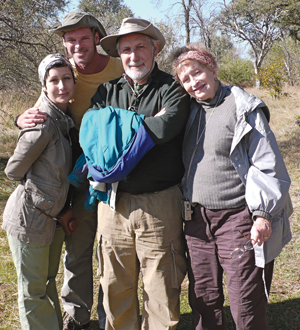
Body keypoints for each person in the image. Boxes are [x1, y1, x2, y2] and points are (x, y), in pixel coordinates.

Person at [171, 42, 293, 330]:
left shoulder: (242, 107)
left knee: (245, 300)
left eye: (197, 73)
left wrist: (263, 215)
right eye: (185, 79)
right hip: (196, 221)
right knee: (203, 298)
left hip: (237, 219)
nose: (193, 82)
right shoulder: (187, 112)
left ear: (211, 68)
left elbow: (268, 163)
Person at [15, 11, 124, 330]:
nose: (78, 45)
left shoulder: (119, 67)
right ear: (64, 44)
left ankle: (109, 318)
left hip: (118, 179)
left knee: (110, 253)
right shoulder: (62, 74)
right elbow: (38, 115)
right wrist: (18, 120)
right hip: (74, 180)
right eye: (70, 40)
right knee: (76, 254)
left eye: (83, 38)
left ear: (96, 37)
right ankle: (76, 317)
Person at [84, 17, 189, 330]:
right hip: (112, 203)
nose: (133, 56)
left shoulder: (173, 90)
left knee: (160, 287)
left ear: (154, 48)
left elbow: (163, 128)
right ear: (119, 54)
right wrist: (140, 126)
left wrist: (117, 127)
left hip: (160, 205)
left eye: (140, 47)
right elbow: (92, 135)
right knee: (115, 287)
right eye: (126, 49)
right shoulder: (104, 92)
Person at [2, 54, 76, 330]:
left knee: (46, 283)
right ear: (44, 86)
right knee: (32, 292)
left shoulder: (65, 115)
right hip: (29, 218)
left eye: (66, 78)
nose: (61, 86)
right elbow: (13, 170)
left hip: (52, 217)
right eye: (53, 80)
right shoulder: (43, 123)